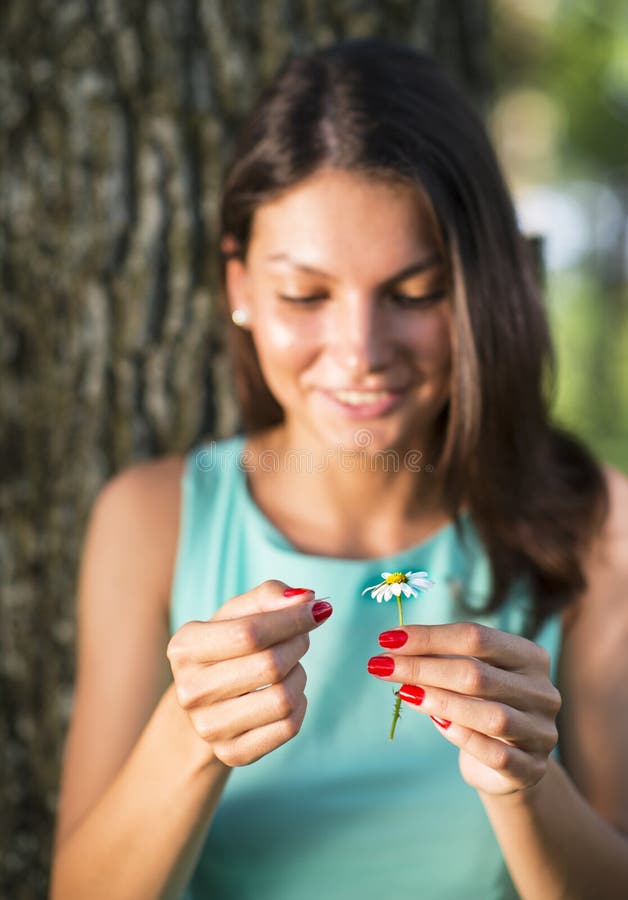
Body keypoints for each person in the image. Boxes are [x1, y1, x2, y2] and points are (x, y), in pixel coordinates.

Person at [49, 38, 628, 900]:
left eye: (416, 293)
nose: (359, 352)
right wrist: (190, 738)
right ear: (239, 285)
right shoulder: (151, 520)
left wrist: (527, 784)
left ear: (482, 288)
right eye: (305, 296)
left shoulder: (603, 528)